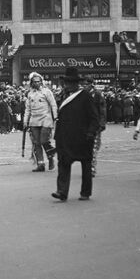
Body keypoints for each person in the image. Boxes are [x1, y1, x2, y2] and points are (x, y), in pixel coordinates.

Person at [52, 67, 99, 201]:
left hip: (82, 138)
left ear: (76, 83)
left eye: (70, 82)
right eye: (66, 82)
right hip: (65, 138)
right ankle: (62, 191)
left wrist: (91, 133)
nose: (67, 85)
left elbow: (94, 117)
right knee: (63, 164)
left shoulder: (85, 96)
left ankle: (85, 192)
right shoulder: (62, 96)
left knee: (86, 166)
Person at [23, 72, 58, 172]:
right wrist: (25, 121)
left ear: (41, 82)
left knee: (44, 141)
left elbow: (53, 105)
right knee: (36, 143)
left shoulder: (47, 92)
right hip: (34, 120)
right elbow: (28, 109)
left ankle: (51, 156)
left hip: (45, 119)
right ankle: (40, 164)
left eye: (38, 81)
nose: (37, 83)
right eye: (35, 82)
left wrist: (55, 117)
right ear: (31, 83)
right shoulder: (30, 94)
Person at [83, 76, 107, 177]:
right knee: (84, 147)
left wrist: (102, 124)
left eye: (86, 84)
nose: (84, 86)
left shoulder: (97, 94)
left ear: (91, 84)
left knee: (93, 147)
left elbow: (102, 110)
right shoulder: (82, 94)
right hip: (84, 125)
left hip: (95, 124)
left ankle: (91, 168)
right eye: (83, 84)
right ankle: (87, 167)